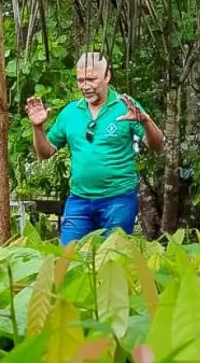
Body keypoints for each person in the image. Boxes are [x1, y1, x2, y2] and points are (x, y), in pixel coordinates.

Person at [25, 52, 165, 244]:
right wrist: (38, 127)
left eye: (91, 79)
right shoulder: (70, 112)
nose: (85, 86)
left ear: (107, 76)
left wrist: (146, 121)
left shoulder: (125, 106)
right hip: (79, 200)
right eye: (80, 80)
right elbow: (45, 152)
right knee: (69, 258)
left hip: (118, 200)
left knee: (112, 259)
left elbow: (158, 145)